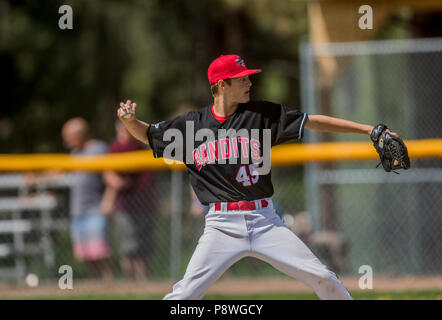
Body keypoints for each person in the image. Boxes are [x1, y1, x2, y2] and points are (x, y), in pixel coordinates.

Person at [116, 54, 400, 300]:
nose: (249, 83)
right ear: (221, 85)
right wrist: (130, 121)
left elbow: (312, 121)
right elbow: (148, 134)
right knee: (186, 294)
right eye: (241, 79)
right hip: (220, 226)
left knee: (323, 277)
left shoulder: (262, 115)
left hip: (265, 222)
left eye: (248, 78)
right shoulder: (191, 126)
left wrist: (367, 130)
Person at [101, 121, 158, 280]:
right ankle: (130, 280)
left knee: (144, 246)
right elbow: (108, 173)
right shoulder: (116, 149)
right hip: (126, 205)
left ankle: (143, 279)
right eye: (122, 131)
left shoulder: (140, 147)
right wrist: (113, 188)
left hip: (145, 205)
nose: (125, 135)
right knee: (129, 246)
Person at [61, 117, 114, 280]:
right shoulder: (75, 153)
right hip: (78, 211)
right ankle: (96, 289)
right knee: (88, 256)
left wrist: (109, 200)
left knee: (101, 254)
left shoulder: (98, 149)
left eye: (69, 137)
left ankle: (112, 288)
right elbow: (61, 171)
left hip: (95, 209)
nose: (66, 141)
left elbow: (111, 177)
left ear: (81, 135)